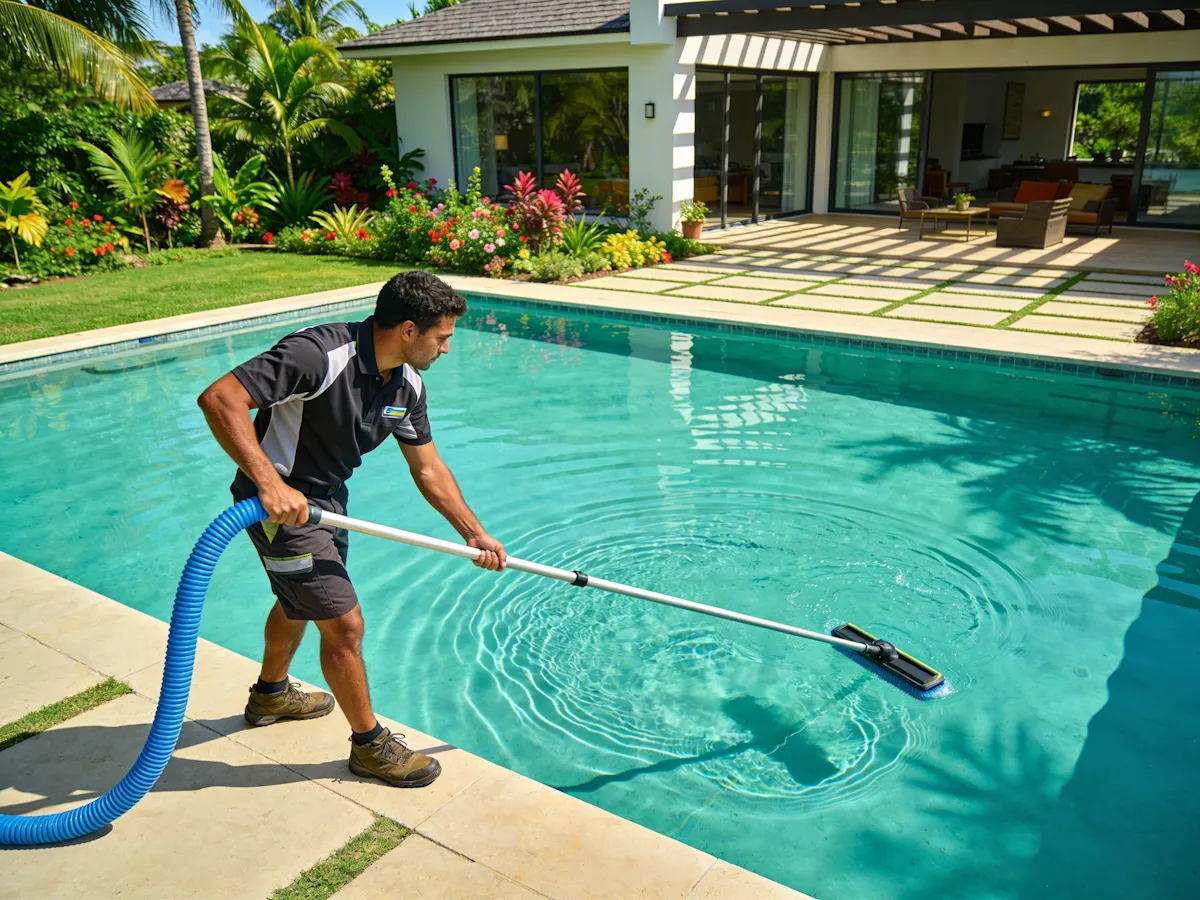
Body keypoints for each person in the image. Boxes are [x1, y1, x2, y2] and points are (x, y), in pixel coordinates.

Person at [197, 271, 505, 788]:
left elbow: (427, 468)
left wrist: (472, 532)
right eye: (443, 336)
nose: (447, 348)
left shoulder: (407, 384)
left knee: (303, 600)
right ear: (408, 329)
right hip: (277, 506)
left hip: (327, 503)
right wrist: (271, 486)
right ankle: (369, 747)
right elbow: (219, 398)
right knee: (344, 624)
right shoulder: (318, 355)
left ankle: (270, 696)